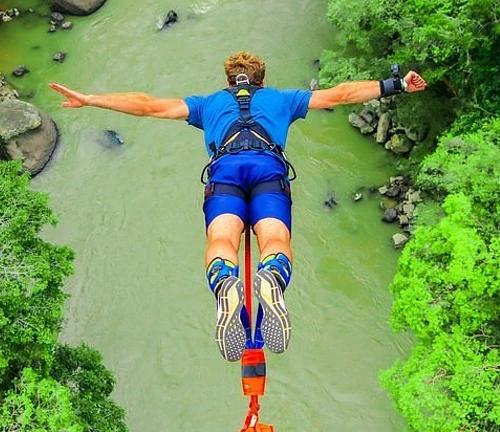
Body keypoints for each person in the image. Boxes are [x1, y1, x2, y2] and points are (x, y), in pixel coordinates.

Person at [49, 51, 427, 362]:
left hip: (225, 173)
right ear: (262, 79)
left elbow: (147, 106)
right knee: (275, 238)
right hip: (268, 171)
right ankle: (272, 278)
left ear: (229, 82)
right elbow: (340, 94)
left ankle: (225, 283)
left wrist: (90, 99)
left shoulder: (206, 104)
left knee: (222, 241)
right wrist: (394, 85)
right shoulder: (283, 99)